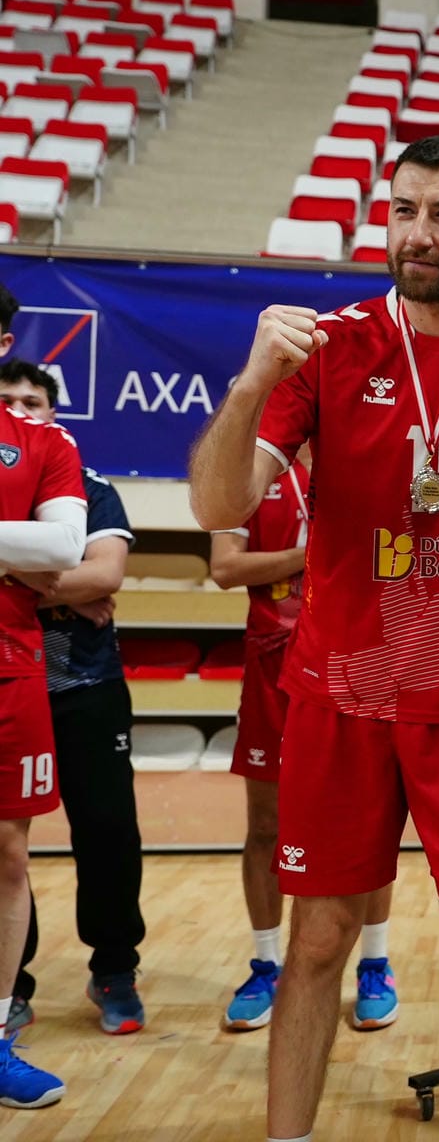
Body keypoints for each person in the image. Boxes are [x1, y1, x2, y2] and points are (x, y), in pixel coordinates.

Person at [187, 135, 439, 1142]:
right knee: (317, 939)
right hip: (340, 700)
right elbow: (217, 504)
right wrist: (249, 383)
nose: (418, 232)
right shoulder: (326, 347)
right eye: (403, 209)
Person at [208, 454, 400, 1033]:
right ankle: (266, 965)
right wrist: (313, 553)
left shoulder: (370, 456)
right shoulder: (249, 468)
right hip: (273, 663)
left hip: (356, 660)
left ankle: (375, 964)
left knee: (367, 822)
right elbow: (225, 567)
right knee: (266, 824)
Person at [0, 360, 144, 1038]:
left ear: (52, 413)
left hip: (85, 686)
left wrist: (19, 576)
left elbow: (105, 573)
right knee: (7, 848)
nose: (20, 409)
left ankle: (114, 969)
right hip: (11, 681)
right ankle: (14, 984)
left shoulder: (91, 486)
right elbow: (78, 578)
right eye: (8, 399)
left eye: (33, 401)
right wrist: (61, 580)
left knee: (108, 832)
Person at [0, 284, 86, 1109]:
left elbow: (62, 546)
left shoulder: (44, 442)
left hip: (11, 663)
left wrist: (29, 551)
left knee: (9, 855)